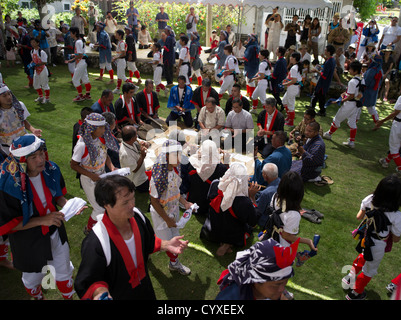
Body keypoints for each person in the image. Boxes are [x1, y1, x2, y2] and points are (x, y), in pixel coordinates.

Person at [74, 175, 189, 300]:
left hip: (145, 289)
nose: (132, 205)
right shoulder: (96, 242)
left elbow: (148, 241)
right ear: (106, 205)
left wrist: (166, 244)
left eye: (132, 198)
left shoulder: (138, 216)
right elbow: (90, 280)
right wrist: (101, 294)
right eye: (125, 202)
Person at [0, 135, 77, 300]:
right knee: (32, 277)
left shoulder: (51, 169)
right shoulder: (8, 185)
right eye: (33, 157)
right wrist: (42, 220)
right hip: (28, 242)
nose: (41, 160)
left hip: (55, 232)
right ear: (21, 160)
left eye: (41, 154)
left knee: (63, 269)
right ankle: (38, 297)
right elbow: (8, 225)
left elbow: (58, 197)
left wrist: (69, 205)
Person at [342, 174, 401, 300]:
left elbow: (359, 216)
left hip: (365, 237)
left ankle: (350, 278)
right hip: (378, 244)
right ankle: (355, 293)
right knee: (369, 269)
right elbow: (396, 239)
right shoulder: (396, 215)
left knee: (363, 256)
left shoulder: (370, 199)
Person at [149, 139, 193, 275]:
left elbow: (175, 190)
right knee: (167, 242)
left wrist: (185, 203)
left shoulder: (175, 168)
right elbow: (154, 201)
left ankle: (173, 263)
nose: (180, 159)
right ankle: (147, 251)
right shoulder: (159, 176)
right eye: (177, 155)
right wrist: (167, 220)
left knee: (175, 237)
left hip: (173, 211)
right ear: (167, 156)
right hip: (162, 215)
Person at [70, 113, 119, 233]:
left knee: (105, 203)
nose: (104, 130)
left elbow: (104, 154)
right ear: (93, 129)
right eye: (102, 127)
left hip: (100, 175)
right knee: (98, 207)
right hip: (89, 179)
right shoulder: (82, 145)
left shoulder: (100, 139)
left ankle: (104, 225)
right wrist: (91, 175)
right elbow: (73, 164)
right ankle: (89, 229)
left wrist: (111, 167)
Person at [201, 162, 259, 256]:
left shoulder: (215, 184)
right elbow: (253, 221)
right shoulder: (244, 201)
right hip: (232, 235)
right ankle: (228, 243)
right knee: (249, 228)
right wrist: (252, 197)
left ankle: (223, 241)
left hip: (212, 230)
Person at [215, 238, 299, 300]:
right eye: (277, 284)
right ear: (256, 281)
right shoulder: (230, 298)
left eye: (285, 282)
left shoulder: (265, 291)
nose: (282, 289)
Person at [269, 171, 317, 251]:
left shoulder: (275, 197)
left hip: (271, 237)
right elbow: (286, 236)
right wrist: (308, 241)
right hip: (282, 246)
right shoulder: (294, 215)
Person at [323, 60, 363, 149]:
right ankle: (351, 142)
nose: (349, 70)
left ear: (355, 71)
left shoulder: (352, 82)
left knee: (337, 119)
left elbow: (351, 95)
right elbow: (357, 93)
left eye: (351, 69)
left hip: (349, 104)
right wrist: (345, 93)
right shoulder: (361, 80)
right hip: (356, 105)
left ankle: (329, 134)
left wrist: (342, 100)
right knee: (352, 122)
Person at [187, 140, 228, 215]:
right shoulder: (220, 168)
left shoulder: (193, 163)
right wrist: (226, 162)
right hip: (207, 206)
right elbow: (227, 178)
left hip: (191, 202)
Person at [0, 83, 42, 155]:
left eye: (9, 94)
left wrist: (33, 130)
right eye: (4, 96)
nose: (8, 97)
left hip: (25, 143)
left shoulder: (19, 106)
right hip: (7, 148)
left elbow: (23, 120)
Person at [119, 125, 149, 193]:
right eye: (136, 135)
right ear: (132, 138)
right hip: (138, 181)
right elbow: (134, 169)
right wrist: (142, 156)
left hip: (142, 173)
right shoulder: (125, 154)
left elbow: (143, 142)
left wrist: (145, 144)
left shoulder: (132, 141)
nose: (137, 136)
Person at [309, 44, 336, 117]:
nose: (324, 51)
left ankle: (322, 111)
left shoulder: (329, 62)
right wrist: (321, 69)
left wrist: (317, 71)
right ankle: (312, 106)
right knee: (317, 94)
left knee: (321, 97)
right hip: (325, 83)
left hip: (323, 83)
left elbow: (324, 75)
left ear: (329, 52)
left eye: (326, 50)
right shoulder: (332, 60)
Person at [66, 27, 92, 102]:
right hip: (82, 62)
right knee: (84, 78)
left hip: (81, 62)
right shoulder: (79, 41)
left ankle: (80, 95)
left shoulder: (78, 42)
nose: (70, 34)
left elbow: (80, 54)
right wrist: (73, 57)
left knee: (75, 79)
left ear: (74, 33)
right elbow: (80, 54)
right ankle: (87, 94)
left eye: (71, 33)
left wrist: (73, 56)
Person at [251, 163, 280, 228]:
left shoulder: (265, 193)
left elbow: (258, 211)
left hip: (266, 220)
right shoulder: (281, 182)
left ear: (265, 176)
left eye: (262, 173)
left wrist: (252, 196)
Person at [376, 95, 401, 172]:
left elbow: (396, 112)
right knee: (397, 146)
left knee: (394, 148)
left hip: (399, 125)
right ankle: (386, 161)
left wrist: (382, 121)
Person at [357, 54, 383, 124]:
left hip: (366, 91)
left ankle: (354, 120)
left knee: (359, 105)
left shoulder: (372, 70)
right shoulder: (380, 70)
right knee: (371, 107)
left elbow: (366, 81)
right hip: (373, 92)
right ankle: (377, 121)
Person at [282, 52, 303, 127]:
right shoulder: (295, 66)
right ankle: (289, 117)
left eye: (291, 56)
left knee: (290, 105)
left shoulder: (294, 68)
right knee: (284, 101)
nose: (290, 58)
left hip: (293, 87)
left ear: (294, 58)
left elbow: (294, 80)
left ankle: (291, 122)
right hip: (293, 87)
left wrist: (285, 84)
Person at [241, 34, 259, 109]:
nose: (248, 39)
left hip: (251, 66)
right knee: (248, 80)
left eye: (250, 38)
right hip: (253, 65)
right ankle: (249, 94)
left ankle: (252, 96)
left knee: (250, 81)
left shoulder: (251, 47)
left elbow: (246, 57)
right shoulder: (255, 46)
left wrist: (236, 58)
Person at [30, 38, 50, 104]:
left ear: (37, 43)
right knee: (36, 84)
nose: (32, 44)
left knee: (44, 84)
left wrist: (36, 64)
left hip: (42, 69)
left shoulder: (41, 52)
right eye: (31, 42)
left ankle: (47, 98)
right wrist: (31, 63)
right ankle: (40, 96)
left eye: (34, 42)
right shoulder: (32, 51)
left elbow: (44, 62)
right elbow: (33, 59)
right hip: (36, 70)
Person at [112, 29, 130, 94]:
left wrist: (116, 57)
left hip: (121, 61)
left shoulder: (121, 43)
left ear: (120, 35)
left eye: (116, 34)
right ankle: (117, 88)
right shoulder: (120, 42)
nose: (115, 35)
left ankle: (133, 86)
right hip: (120, 61)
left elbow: (123, 54)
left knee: (122, 76)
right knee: (119, 76)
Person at [270, 46, 287, 111]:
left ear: (280, 53)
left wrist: (272, 77)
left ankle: (281, 104)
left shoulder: (280, 61)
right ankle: (277, 105)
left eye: (277, 50)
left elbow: (276, 72)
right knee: (276, 93)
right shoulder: (283, 60)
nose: (275, 51)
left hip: (277, 80)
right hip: (281, 79)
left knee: (275, 92)